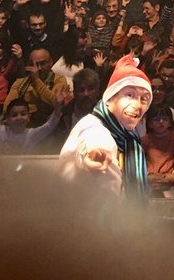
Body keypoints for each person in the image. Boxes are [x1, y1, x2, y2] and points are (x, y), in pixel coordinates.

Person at [59, 56, 153, 199]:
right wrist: (93, 153)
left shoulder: (126, 137)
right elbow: (93, 140)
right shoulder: (94, 126)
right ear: (109, 99)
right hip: (86, 218)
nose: (138, 105)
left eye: (144, 99)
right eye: (129, 95)